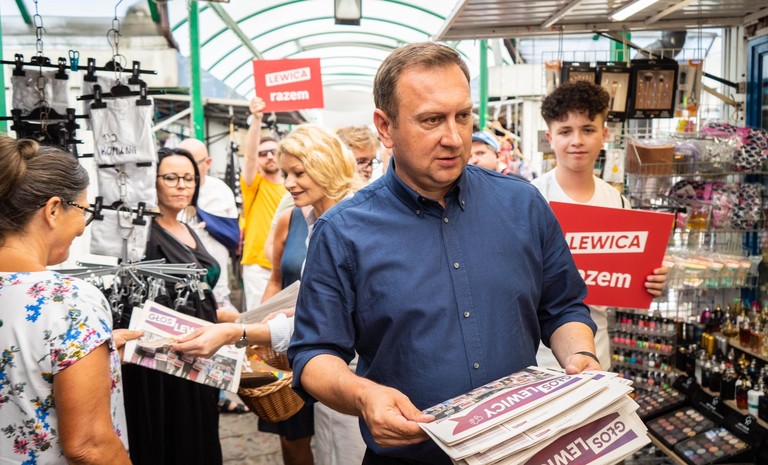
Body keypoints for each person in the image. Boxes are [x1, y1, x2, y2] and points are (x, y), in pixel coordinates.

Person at [287, 42, 599, 464]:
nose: (454, 138)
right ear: (385, 127)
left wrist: (580, 356)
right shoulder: (343, 232)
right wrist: (363, 395)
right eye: (431, 120)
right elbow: (314, 354)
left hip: (521, 451)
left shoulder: (523, 205)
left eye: (463, 116)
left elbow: (563, 307)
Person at [175, 123, 366, 465]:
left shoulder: (349, 224)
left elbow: (329, 319)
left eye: (298, 173)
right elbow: (320, 305)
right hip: (330, 372)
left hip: (357, 372)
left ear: (326, 166)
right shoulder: (315, 219)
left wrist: (238, 332)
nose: (288, 183)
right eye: (286, 173)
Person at [0, 137, 141, 465]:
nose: (82, 227)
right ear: (52, 210)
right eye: (83, 211)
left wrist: (91, 349)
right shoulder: (70, 302)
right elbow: (89, 445)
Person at [532, 80, 668, 370]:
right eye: (565, 131)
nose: (577, 141)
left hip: (596, 353)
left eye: (588, 129)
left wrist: (649, 280)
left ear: (604, 134)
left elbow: (626, 278)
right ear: (550, 137)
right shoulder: (531, 198)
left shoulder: (618, 203)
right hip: (539, 358)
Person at [120, 147, 223, 465]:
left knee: (202, 427)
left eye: (189, 178)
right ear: (153, 181)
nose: (182, 185)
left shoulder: (187, 227)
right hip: (165, 361)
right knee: (176, 435)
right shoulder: (144, 234)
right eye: (171, 178)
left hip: (199, 351)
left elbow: (202, 291)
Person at [176, 138, 247, 413]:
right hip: (184, 285)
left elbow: (230, 234)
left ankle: (218, 395)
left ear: (207, 163)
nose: (188, 172)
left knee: (220, 339)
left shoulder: (220, 191)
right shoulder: (175, 191)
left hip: (216, 283)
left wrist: (201, 219)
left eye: (194, 163)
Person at [241, 97, 286, 310]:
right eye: (263, 153)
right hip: (258, 267)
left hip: (285, 266)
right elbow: (248, 157)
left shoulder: (293, 186)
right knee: (257, 322)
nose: (269, 156)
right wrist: (257, 119)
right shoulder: (254, 185)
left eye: (273, 152)